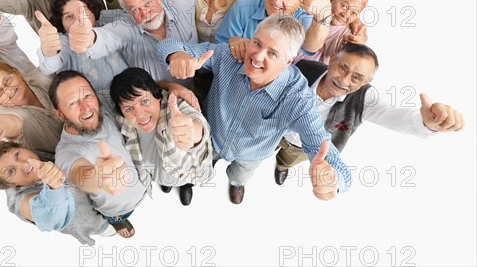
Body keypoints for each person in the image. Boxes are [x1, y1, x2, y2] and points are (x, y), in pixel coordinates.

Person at [157, 15, 352, 204]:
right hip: (210, 137)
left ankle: (236, 183)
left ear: (287, 62)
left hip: (251, 156)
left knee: (240, 175)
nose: (257, 56)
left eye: (272, 53)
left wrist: (334, 179)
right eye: (257, 43)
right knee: (199, 164)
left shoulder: (298, 99)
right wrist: (178, 56)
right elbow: (166, 46)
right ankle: (188, 180)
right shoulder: (229, 56)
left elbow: (320, 143)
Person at [274, 43, 466, 185]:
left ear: (366, 82)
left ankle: (282, 166)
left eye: (357, 78)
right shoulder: (303, 68)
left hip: (301, 148)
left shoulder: (364, 98)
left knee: (288, 159)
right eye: (343, 68)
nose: (344, 80)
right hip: (273, 128)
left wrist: (426, 123)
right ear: (332, 60)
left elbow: (393, 115)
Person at [50, 70, 147, 238]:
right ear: (60, 114)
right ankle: (117, 222)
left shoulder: (104, 104)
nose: (86, 107)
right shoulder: (67, 151)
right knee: (118, 219)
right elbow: (80, 174)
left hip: (144, 186)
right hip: (118, 210)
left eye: (88, 96)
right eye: (73, 103)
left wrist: (174, 87)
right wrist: (99, 178)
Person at [67, 0, 198, 87]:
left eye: (147, 3)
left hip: (199, 87)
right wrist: (88, 38)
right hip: (158, 103)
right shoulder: (126, 25)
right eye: (134, 9)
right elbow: (106, 37)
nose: (145, 13)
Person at [110, 68, 213, 206]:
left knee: (186, 182)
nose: (140, 115)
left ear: (157, 95)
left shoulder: (178, 108)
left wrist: (193, 133)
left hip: (185, 173)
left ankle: (186, 186)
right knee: (164, 181)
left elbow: (197, 125)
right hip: (156, 174)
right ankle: (165, 183)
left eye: (144, 101)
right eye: (129, 109)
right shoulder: (123, 119)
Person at [0, 141, 110, 246]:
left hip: (105, 196)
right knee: (110, 226)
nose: (23, 165)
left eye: (17, 155)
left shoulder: (34, 151)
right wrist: (53, 186)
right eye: (11, 171)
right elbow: (47, 217)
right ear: (9, 185)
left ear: (22, 147)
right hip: (97, 222)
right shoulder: (19, 201)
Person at [36, 0, 129, 92]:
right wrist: (49, 50)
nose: (78, 21)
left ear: (93, 11)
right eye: (69, 17)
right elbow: (49, 66)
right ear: (61, 22)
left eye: (83, 12)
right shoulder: (63, 40)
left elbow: (130, 20)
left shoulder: (106, 20)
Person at [0, 62, 63, 154]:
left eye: (7, 80)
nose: (8, 91)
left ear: (17, 73)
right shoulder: (4, 113)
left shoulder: (42, 76)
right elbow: (9, 123)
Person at [295, 0, 370, 64]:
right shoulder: (311, 12)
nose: (345, 14)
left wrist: (353, 47)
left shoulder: (347, 35)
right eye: (344, 6)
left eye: (353, 13)